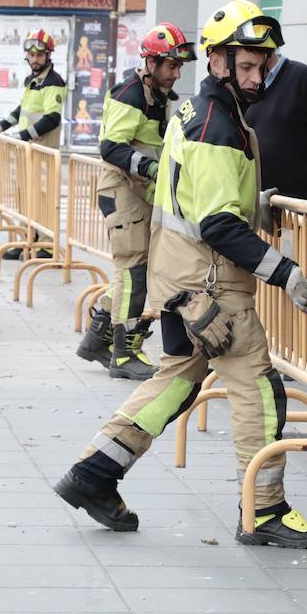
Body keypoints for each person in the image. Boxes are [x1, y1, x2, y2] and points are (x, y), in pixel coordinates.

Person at [55, 0, 307, 549]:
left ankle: (94, 474)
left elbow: (198, 196)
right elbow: (218, 224)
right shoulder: (216, 126)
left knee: (176, 381)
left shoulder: (196, 114)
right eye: (244, 66)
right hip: (211, 286)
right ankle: (264, 510)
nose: (256, 77)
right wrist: (285, 271)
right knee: (260, 390)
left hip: (182, 279)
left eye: (262, 66)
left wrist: (256, 202)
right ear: (218, 61)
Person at [75, 22, 193, 382]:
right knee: (133, 273)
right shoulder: (131, 94)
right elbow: (111, 147)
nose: (176, 74)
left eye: (178, 67)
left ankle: (98, 339)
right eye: (170, 66)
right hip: (123, 194)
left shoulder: (154, 95)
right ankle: (124, 355)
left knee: (134, 273)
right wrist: (154, 167)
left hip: (136, 196)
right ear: (151, 63)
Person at [0, 28, 66, 259]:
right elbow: (21, 110)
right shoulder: (32, 81)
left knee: (43, 199)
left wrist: (22, 136)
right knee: (23, 197)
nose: (35, 59)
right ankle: (25, 240)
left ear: (48, 55)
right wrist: (1, 126)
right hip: (27, 152)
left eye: (39, 55)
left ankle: (45, 245)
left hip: (43, 151)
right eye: (31, 55)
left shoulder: (53, 82)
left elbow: (52, 118)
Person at [245, 51, 307, 203]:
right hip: (258, 202)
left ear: (265, 51)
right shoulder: (247, 86)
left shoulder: (304, 78)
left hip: (299, 204)